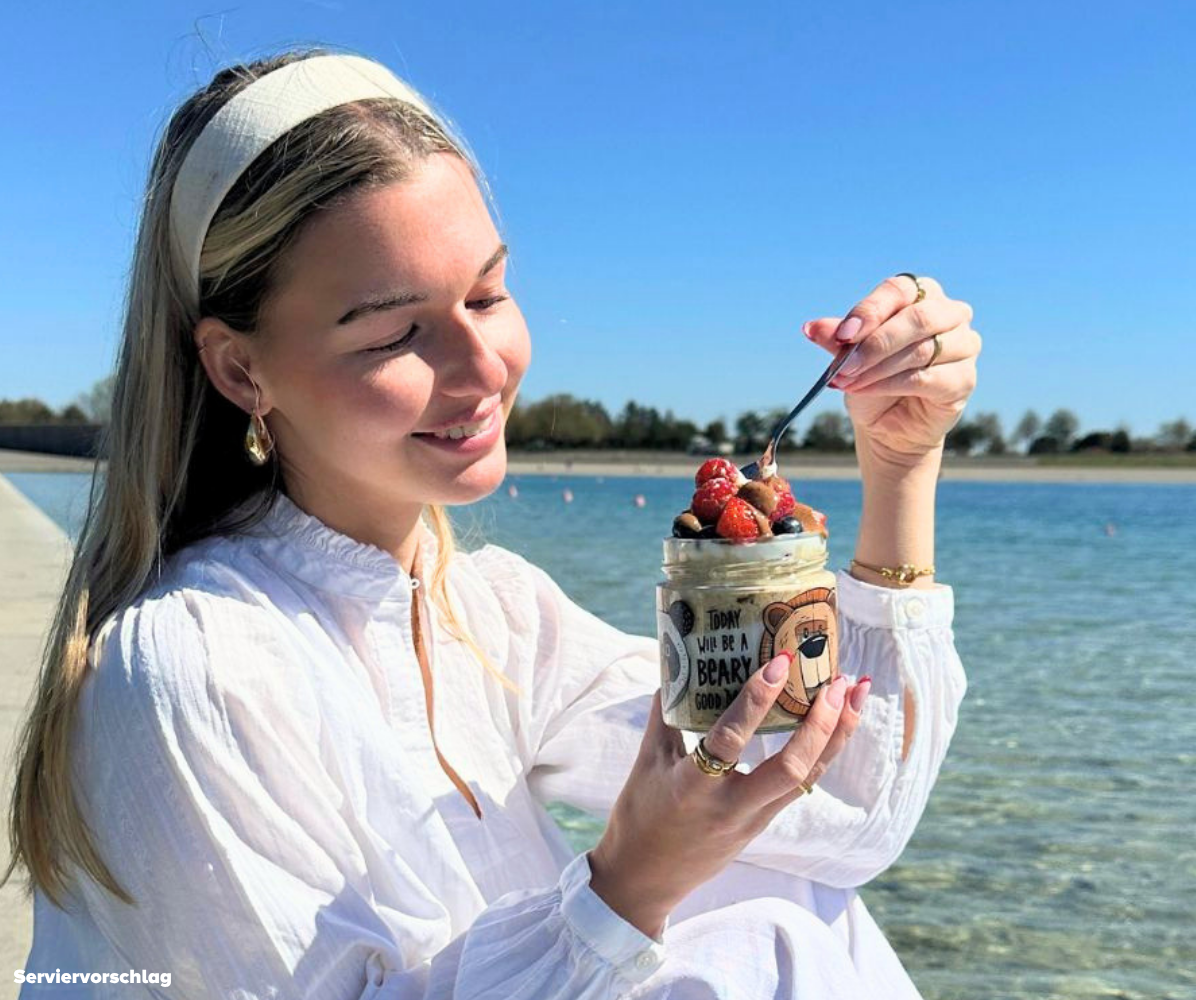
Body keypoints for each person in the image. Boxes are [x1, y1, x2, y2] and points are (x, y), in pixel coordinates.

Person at [4, 47, 980, 999]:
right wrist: (625, 888)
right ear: (240, 370)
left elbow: (845, 815)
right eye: (394, 332)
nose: (484, 370)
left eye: (488, 293)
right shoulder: (193, 672)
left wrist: (900, 465)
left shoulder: (494, 618)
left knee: (778, 894)